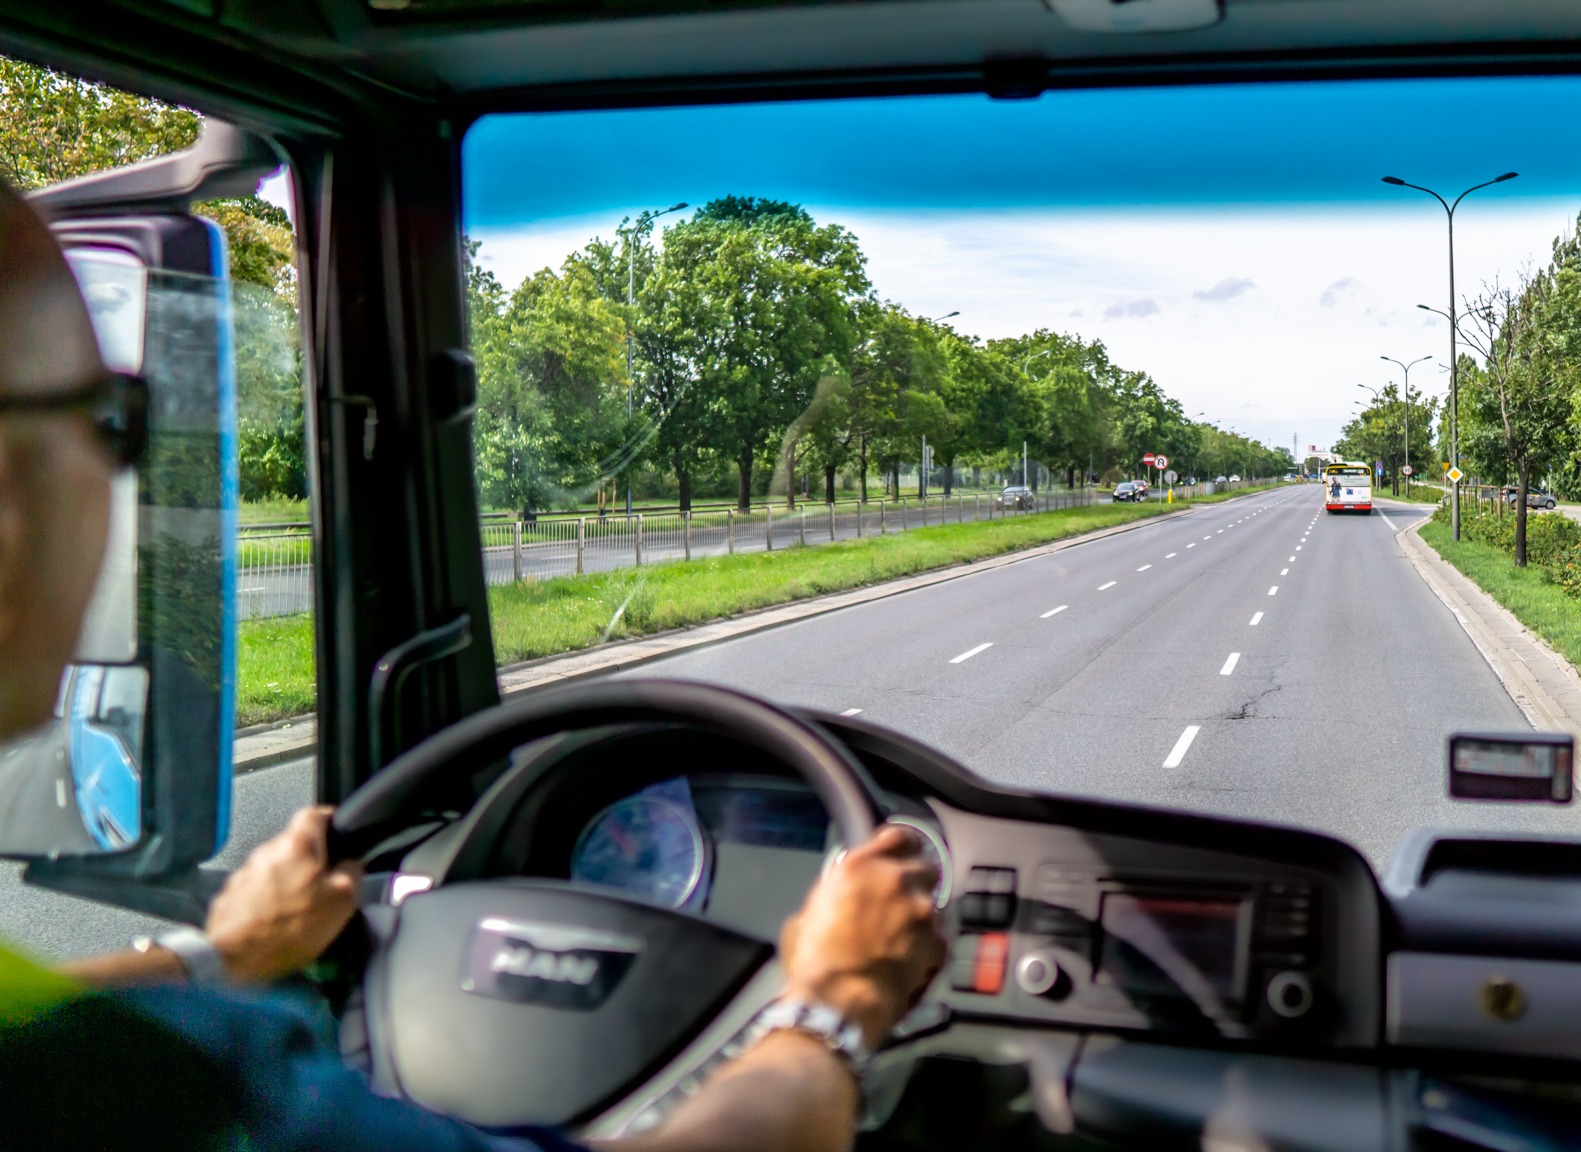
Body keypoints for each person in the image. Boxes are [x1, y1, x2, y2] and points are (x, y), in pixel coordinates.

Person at [0, 175, 946, 1150]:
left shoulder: (81, 1061)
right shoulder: (203, 1091)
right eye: (113, 420)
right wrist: (835, 1001)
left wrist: (225, 952)